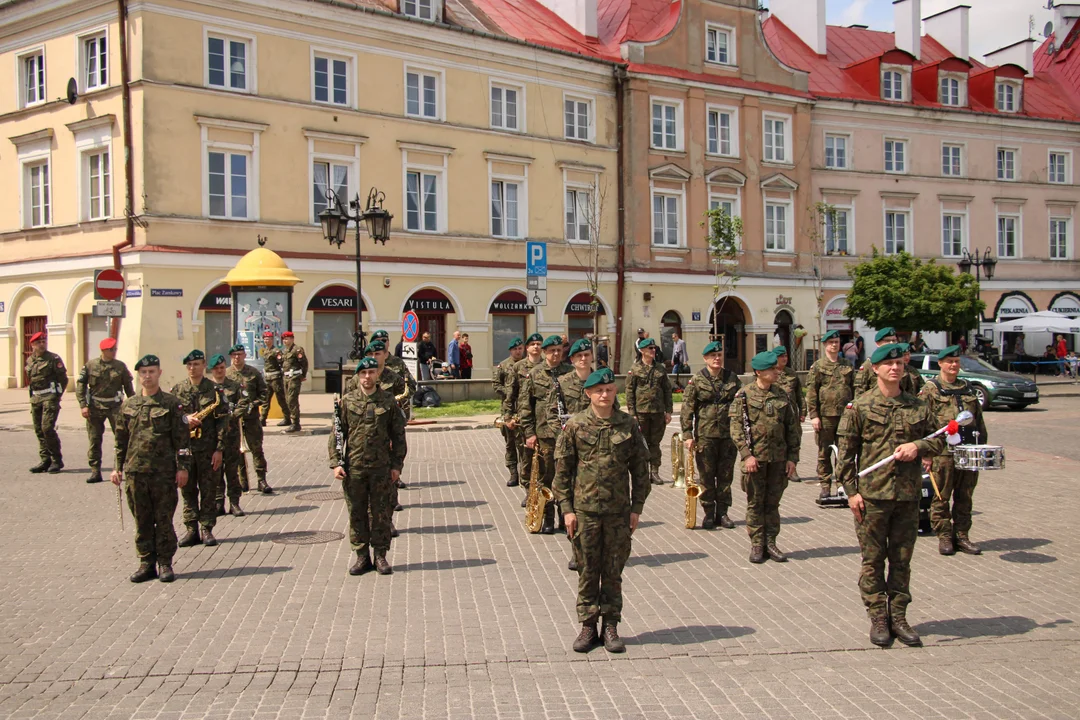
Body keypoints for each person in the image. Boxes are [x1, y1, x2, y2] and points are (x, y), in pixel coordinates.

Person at [837, 343, 946, 648]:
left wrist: (919, 447)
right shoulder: (859, 407)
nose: (895, 368)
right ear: (875, 369)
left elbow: (940, 440)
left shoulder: (918, 407)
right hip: (872, 497)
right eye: (888, 364)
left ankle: (898, 616)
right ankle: (878, 618)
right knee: (873, 560)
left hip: (907, 497)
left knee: (901, 559)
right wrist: (851, 494)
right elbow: (846, 456)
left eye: (899, 363)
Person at [553, 367, 650, 654]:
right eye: (598, 391)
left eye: (608, 390)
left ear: (614, 392)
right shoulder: (575, 426)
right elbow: (562, 473)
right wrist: (567, 510)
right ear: (588, 394)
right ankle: (587, 625)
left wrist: (637, 508)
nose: (604, 395)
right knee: (586, 570)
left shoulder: (628, 425)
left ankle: (610, 625)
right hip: (585, 512)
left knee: (613, 571)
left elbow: (640, 470)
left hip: (618, 512)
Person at [112, 354, 190, 583]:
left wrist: (182, 468)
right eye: (144, 373)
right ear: (139, 375)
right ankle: (146, 562)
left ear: (159, 373)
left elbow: (182, 441)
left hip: (163, 473)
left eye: (152, 372)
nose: (148, 376)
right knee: (142, 520)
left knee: (163, 519)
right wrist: (117, 469)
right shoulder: (129, 405)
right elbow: (120, 441)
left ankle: (165, 563)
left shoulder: (171, 404)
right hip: (136, 473)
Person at [330, 357, 407, 576]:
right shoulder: (347, 401)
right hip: (354, 468)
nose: (367, 377)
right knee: (357, 513)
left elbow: (399, 436)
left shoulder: (388, 401)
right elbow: (337, 434)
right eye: (363, 373)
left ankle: (381, 556)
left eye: (371, 373)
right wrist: (336, 463)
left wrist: (397, 466)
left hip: (381, 468)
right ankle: (362, 556)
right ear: (357, 376)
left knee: (381, 513)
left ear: (377, 375)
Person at [730, 351, 800, 564]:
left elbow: (792, 428)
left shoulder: (782, 395)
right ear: (759, 372)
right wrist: (746, 455)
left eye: (777, 369)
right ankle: (757, 544)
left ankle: (771, 542)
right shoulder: (744, 395)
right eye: (772, 369)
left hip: (778, 459)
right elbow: (736, 428)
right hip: (755, 460)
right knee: (755, 503)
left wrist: (792, 459)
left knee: (773, 503)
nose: (777, 372)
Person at [920, 345, 989, 556]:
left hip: (967, 452)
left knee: (965, 495)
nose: (953, 365)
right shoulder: (930, 389)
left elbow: (978, 421)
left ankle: (962, 536)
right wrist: (926, 453)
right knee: (941, 496)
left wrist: (982, 449)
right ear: (940, 363)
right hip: (942, 453)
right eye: (949, 362)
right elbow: (921, 422)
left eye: (956, 362)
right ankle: (944, 537)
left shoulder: (967, 388)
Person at [680, 340, 740, 530]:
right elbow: (687, 409)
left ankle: (722, 513)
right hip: (705, 435)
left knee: (725, 475)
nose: (717, 358)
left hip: (728, 435)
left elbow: (740, 406)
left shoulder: (732, 378)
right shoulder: (697, 380)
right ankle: (708, 513)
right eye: (713, 356)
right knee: (706, 476)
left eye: (719, 355)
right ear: (705, 359)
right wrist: (688, 434)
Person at [171, 350, 227, 548]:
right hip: (186, 450)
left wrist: (219, 449)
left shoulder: (215, 391)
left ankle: (207, 528)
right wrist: (186, 420)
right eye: (189, 365)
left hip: (207, 449)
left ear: (204, 365)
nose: (192, 368)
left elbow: (223, 423)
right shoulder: (177, 391)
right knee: (187, 491)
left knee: (208, 490)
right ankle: (191, 529)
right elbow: (170, 421)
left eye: (196, 364)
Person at [521, 335, 574, 534]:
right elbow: (525, 407)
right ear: (544, 352)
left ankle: (565, 515)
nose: (556, 353)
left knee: (567, 476)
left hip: (567, 434)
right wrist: (529, 433)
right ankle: (548, 517)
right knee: (547, 476)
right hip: (544, 434)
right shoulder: (534, 374)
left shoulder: (570, 373)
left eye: (559, 350)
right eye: (552, 350)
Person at [75, 337, 135, 483]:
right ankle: (95, 471)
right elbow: (81, 386)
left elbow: (129, 389)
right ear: (103, 350)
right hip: (95, 407)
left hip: (115, 407)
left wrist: (133, 406)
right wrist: (83, 405)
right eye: (111, 349)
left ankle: (122, 469)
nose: (114, 352)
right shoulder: (90, 365)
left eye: (115, 349)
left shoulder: (120, 366)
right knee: (94, 439)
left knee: (121, 438)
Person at [805, 330, 855, 499]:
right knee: (824, 452)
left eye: (837, 341)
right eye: (831, 342)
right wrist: (814, 416)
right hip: (825, 416)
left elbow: (854, 390)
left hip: (845, 417)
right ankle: (825, 484)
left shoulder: (847, 365)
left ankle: (842, 484)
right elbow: (812, 392)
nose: (835, 344)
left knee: (844, 452)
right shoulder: (818, 366)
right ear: (825, 344)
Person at [226, 344, 274, 494]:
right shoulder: (226, 375)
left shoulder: (253, 373)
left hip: (251, 418)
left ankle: (261, 480)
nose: (236, 357)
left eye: (239, 354)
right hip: (234, 420)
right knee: (238, 451)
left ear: (244, 355)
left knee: (256, 449)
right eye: (234, 355)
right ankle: (243, 481)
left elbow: (264, 393)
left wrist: (254, 404)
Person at [626, 337, 673, 486]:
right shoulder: (635, 369)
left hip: (658, 412)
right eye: (650, 348)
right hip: (641, 412)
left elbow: (667, 390)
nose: (653, 351)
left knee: (655, 443)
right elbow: (629, 392)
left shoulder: (660, 368)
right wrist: (632, 413)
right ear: (642, 351)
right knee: (641, 443)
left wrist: (668, 411)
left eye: (654, 348)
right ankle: (643, 472)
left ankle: (655, 472)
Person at [208, 354, 248, 517]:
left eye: (222, 368)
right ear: (212, 370)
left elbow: (244, 403)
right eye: (216, 369)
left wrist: (232, 416)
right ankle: (218, 503)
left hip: (231, 434)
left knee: (232, 470)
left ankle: (234, 503)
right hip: (213, 435)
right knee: (215, 469)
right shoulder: (207, 388)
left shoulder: (234, 385)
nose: (219, 371)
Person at [26, 331, 68, 474]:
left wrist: (57, 396)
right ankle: (45, 460)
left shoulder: (53, 359)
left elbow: (63, 379)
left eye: (43, 341)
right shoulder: (30, 360)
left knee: (47, 428)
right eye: (38, 342)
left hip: (50, 398)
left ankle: (57, 460)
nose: (42, 344)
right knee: (38, 430)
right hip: (36, 398)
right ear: (32, 345)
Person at [512, 333, 545, 507]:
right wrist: (509, 415)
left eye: (539, 344)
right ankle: (528, 490)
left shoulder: (548, 366)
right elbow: (511, 394)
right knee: (526, 457)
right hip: (524, 417)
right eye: (533, 344)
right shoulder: (518, 367)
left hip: (544, 420)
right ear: (527, 348)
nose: (536, 347)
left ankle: (543, 491)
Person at [492, 337, 526, 487]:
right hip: (508, 408)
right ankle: (513, 473)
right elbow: (496, 384)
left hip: (524, 408)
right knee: (510, 443)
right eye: (515, 349)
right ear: (511, 351)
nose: (518, 351)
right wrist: (509, 392)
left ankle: (526, 475)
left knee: (524, 445)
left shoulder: (527, 365)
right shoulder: (504, 365)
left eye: (520, 348)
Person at [854, 327, 898, 397]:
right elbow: (859, 391)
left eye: (894, 340)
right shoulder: (869, 365)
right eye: (887, 341)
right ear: (878, 343)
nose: (891, 343)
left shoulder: (899, 363)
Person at [260, 331, 289, 428]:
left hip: (276, 379)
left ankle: (287, 418)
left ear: (272, 340)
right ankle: (263, 419)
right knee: (265, 400)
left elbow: (282, 363)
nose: (266, 340)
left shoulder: (276, 351)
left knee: (281, 399)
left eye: (268, 339)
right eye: (265, 339)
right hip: (267, 378)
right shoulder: (265, 351)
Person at [281, 331, 308, 433]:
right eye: (284, 339)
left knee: (292, 400)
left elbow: (304, 363)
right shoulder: (285, 351)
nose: (285, 341)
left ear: (292, 339)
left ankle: (296, 423)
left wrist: (303, 375)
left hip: (294, 377)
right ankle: (291, 420)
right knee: (288, 400)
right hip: (286, 377)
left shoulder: (297, 349)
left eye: (287, 339)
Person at [773, 345, 806, 423]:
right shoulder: (769, 373)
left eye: (786, 356)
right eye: (781, 356)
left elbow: (799, 395)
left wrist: (803, 412)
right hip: (776, 415)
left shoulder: (792, 373)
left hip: (792, 414)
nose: (784, 359)